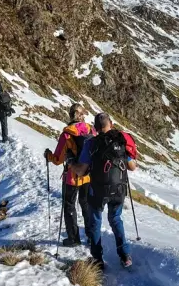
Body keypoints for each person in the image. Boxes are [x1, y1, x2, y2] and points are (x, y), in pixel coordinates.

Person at [71, 112, 138, 270]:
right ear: (111, 124)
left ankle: (97, 259)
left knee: (95, 220)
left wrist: (70, 163)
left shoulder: (91, 143)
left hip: (98, 190)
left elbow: (81, 171)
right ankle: (125, 256)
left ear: (94, 128)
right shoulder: (120, 141)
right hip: (119, 189)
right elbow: (132, 167)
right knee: (115, 218)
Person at [45, 104, 95, 247]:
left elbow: (57, 159)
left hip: (72, 176)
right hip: (88, 174)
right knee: (86, 204)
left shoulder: (67, 134)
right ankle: (92, 235)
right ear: (82, 116)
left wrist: (48, 155)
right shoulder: (91, 130)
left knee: (69, 205)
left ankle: (73, 238)